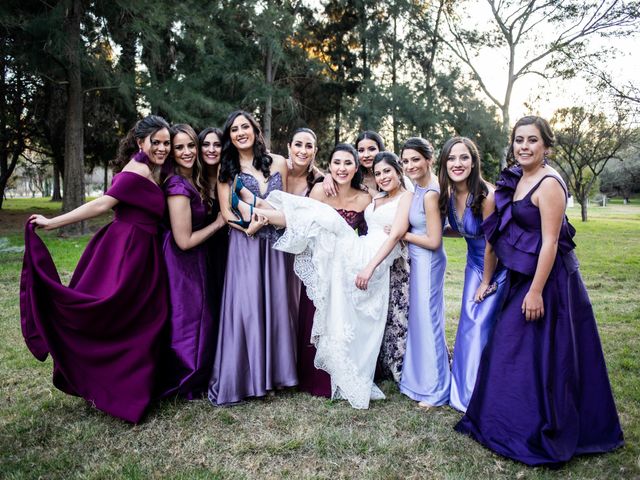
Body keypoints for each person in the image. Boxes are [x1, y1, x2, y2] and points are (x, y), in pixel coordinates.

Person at [455, 116, 624, 466]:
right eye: (519, 140)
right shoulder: (519, 177)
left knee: (550, 355)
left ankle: (541, 428)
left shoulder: (549, 183)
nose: (524, 147)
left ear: (546, 145)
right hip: (523, 278)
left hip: (551, 283)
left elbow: (550, 242)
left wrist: (535, 291)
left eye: (532, 140)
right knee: (511, 348)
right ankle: (506, 423)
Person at [20, 115, 172, 423]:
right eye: (155, 141)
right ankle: (122, 392)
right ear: (140, 141)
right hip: (128, 250)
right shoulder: (136, 170)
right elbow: (101, 205)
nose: (162, 148)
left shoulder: (153, 169)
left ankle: (134, 388)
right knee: (125, 317)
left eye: (166, 142)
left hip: (144, 250)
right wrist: (53, 222)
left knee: (143, 319)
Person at [235, 152, 413, 409]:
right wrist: (327, 175)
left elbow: (396, 234)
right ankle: (256, 205)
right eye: (379, 173)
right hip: (361, 249)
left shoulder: (406, 196)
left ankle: (256, 207)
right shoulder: (378, 196)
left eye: (388, 171)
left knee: (325, 218)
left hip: (371, 260)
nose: (383, 177)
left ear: (399, 171)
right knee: (320, 220)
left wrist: (370, 268)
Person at [207, 110, 298, 406]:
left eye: (245, 126)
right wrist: (249, 226)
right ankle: (250, 378)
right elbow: (226, 212)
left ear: (255, 130)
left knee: (276, 304)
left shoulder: (279, 163)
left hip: (277, 246)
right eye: (234, 129)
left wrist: (325, 178)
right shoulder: (228, 168)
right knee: (248, 306)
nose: (240, 132)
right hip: (246, 243)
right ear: (229, 136)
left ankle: (276, 376)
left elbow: (296, 194)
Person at [438, 137, 507, 413]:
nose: (457, 163)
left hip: (496, 268)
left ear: (474, 161)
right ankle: (462, 390)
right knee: (467, 325)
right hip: (472, 265)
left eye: (464, 157)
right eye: (452, 158)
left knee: (478, 326)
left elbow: (491, 243)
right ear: (444, 163)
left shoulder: (486, 195)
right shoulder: (450, 194)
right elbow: (463, 229)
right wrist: (434, 232)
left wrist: (487, 282)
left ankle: (476, 396)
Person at [159, 124, 226, 399]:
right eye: (179, 147)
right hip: (182, 261)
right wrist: (220, 223)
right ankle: (186, 378)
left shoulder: (193, 179)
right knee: (189, 320)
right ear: (172, 152)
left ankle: (198, 374)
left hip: (198, 258)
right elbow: (183, 240)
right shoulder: (176, 185)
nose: (187, 152)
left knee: (202, 316)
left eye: (190, 146)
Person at [298, 143, 370, 397]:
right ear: (329, 166)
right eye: (337, 163)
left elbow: (366, 238)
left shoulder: (365, 197)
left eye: (347, 163)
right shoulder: (319, 190)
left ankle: (345, 371)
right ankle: (314, 377)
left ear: (356, 167)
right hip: (321, 265)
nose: (342, 168)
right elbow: (303, 225)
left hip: (347, 269)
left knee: (343, 323)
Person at [397, 137, 450, 408]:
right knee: (420, 320)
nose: (410, 165)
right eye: (405, 161)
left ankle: (435, 389)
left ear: (429, 159)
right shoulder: (417, 188)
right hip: (418, 261)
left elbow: (434, 240)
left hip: (428, 261)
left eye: (415, 159)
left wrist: (402, 234)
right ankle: (418, 381)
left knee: (429, 322)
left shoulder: (430, 194)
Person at [198, 127, 229, 346]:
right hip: (198, 248)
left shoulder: (230, 176)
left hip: (227, 248)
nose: (211, 149)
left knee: (224, 301)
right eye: (206, 144)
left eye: (217, 145)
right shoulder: (191, 178)